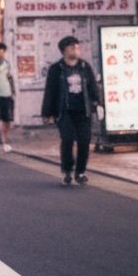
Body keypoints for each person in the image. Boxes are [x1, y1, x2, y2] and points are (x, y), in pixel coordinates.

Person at [41, 36, 100, 186]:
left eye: (77, 47)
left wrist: (98, 102)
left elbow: (93, 86)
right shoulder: (56, 69)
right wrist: (47, 113)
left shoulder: (85, 67)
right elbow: (50, 91)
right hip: (64, 111)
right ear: (64, 50)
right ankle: (67, 170)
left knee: (84, 141)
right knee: (67, 140)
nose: (76, 49)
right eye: (72, 47)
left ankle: (80, 172)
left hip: (83, 110)